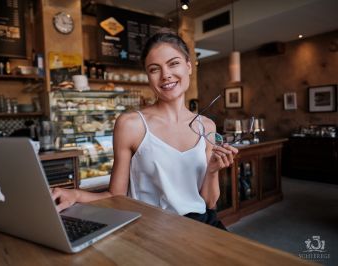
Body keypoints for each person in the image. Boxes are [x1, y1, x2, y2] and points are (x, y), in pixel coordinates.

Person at [51, 31, 238, 230]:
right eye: (154, 69)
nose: (166, 75)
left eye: (173, 63)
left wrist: (212, 171)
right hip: (152, 228)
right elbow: (116, 196)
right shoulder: (131, 125)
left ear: (189, 66)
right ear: (148, 77)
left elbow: (209, 203)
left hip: (202, 224)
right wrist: (76, 194)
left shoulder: (206, 126)